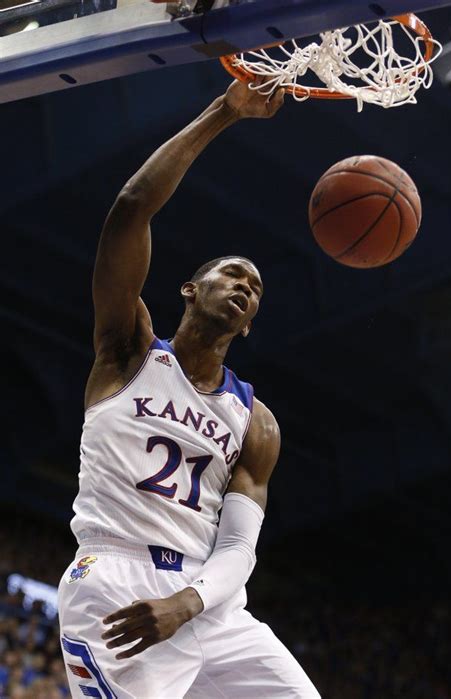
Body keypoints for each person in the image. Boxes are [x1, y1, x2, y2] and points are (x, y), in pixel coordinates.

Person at [58, 78, 320, 698]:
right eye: (231, 274)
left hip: (209, 604)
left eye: (255, 288)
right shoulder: (128, 351)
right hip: (117, 586)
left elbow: (237, 546)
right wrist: (224, 112)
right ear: (188, 290)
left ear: (250, 323)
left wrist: (190, 603)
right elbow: (130, 207)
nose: (245, 286)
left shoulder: (257, 422)